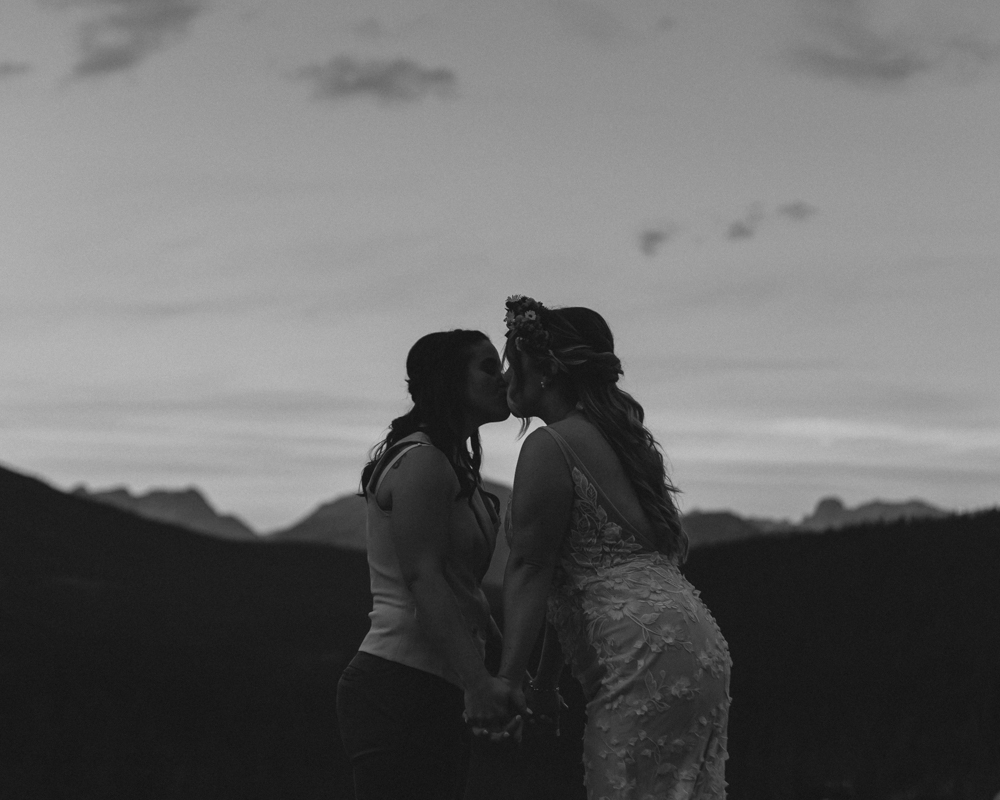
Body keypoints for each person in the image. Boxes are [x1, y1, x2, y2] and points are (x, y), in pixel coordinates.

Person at [465, 296, 732, 799]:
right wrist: (544, 683)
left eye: (511, 361)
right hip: (692, 640)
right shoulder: (620, 439)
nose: (504, 376)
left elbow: (531, 568)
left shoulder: (550, 445)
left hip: (638, 652)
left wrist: (508, 681)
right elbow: (573, 579)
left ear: (544, 369)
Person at [336, 329, 518, 800]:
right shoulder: (421, 462)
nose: (502, 378)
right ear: (449, 380)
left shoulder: (456, 469)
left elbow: (464, 593)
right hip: (397, 683)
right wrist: (479, 685)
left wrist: (508, 675)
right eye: (487, 366)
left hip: (438, 685)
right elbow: (424, 578)